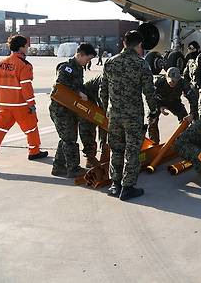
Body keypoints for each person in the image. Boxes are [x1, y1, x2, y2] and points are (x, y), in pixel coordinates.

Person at [100, 30, 159, 201]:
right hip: (133, 116)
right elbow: (149, 92)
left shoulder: (110, 62)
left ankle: (115, 185)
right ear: (140, 45)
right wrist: (153, 111)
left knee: (116, 150)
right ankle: (127, 187)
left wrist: (107, 111)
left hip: (114, 115)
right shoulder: (141, 64)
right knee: (132, 152)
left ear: (124, 43)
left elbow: (103, 90)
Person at [0, 35, 47, 161]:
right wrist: (31, 104)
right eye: (26, 45)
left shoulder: (2, 63)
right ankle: (34, 151)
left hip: (4, 104)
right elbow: (26, 86)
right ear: (21, 47)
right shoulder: (24, 65)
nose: (28, 48)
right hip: (20, 105)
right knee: (31, 128)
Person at [49, 43, 97, 177]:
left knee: (65, 138)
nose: (88, 62)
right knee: (70, 139)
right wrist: (77, 92)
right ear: (80, 54)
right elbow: (60, 83)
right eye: (88, 59)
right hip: (60, 110)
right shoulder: (66, 68)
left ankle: (58, 167)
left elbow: (80, 86)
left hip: (69, 109)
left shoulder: (79, 69)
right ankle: (73, 169)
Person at [148, 67, 193, 144]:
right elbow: (151, 98)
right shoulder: (159, 82)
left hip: (175, 102)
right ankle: (154, 143)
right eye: (171, 82)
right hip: (159, 102)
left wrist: (192, 113)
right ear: (166, 77)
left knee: (185, 119)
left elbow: (192, 98)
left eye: (175, 82)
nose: (173, 83)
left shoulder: (183, 83)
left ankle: (184, 141)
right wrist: (160, 107)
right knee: (152, 119)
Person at [79, 75, 106, 168]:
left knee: (106, 125)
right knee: (87, 128)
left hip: (99, 103)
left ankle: (105, 154)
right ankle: (90, 158)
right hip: (86, 101)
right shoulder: (103, 82)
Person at [182, 41, 201, 120]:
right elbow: (186, 76)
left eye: (193, 49)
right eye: (189, 48)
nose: (191, 51)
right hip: (193, 90)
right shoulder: (189, 61)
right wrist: (185, 89)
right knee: (194, 111)